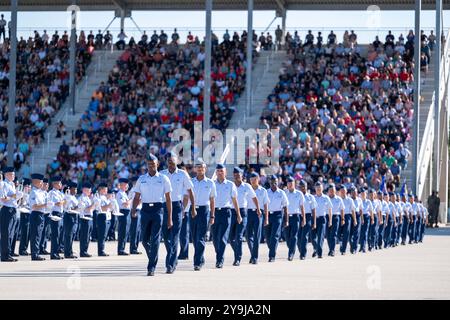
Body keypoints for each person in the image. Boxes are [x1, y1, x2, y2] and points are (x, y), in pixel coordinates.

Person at [131, 154, 172, 276]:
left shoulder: (164, 178)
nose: (151, 166)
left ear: (157, 164)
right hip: (145, 211)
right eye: (149, 164)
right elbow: (137, 196)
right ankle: (153, 256)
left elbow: (168, 199)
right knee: (144, 240)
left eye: (153, 164)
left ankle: (151, 267)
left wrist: (169, 217)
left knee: (155, 239)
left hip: (158, 210)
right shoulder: (142, 179)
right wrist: (133, 210)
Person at [160, 154, 195, 274]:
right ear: (166, 162)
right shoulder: (162, 174)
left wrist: (191, 208)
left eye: (173, 162)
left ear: (177, 162)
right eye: (169, 161)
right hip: (164, 206)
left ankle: (170, 264)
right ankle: (172, 256)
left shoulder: (182, 174)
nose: (171, 164)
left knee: (174, 236)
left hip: (177, 206)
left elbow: (190, 191)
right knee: (165, 236)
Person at [212, 164, 241, 268]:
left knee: (223, 237)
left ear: (225, 172)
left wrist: (238, 214)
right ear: (216, 172)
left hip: (226, 212)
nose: (220, 173)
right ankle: (218, 254)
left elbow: (234, 200)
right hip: (214, 212)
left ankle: (220, 260)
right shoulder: (212, 184)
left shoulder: (230, 184)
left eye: (222, 171)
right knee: (215, 238)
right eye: (218, 171)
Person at [191, 160, 216, 271]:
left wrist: (212, 215)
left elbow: (212, 200)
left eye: (202, 167)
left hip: (204, 211)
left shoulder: (210, 183)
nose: (200, 169)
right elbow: (187, 197)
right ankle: (200, 257)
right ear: (195, 169)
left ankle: (197, 263)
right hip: (193, 210)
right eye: (198, 167)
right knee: (194, 237)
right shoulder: (191, 182)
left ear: (205, 169)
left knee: (200, 237)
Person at [230, 167, 258, 266]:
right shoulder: (231, 185)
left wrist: (258, 209)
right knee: (230, 237)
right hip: (231, 212)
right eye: (235, 174)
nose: (237, 176)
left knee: (239, 236)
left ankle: (237, 258)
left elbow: (254, 198)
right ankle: (238, 252)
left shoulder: (247, 186)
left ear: (242, 175)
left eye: (238, 174)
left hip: (243, 212)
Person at [0, 167, 23, 262]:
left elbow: (12, 198)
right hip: (6, 209)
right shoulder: (3, 184)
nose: (13, 175)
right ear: (6, 175)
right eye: (11, 174)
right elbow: (3, 198)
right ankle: (4, 255)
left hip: (13, 209)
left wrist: (18, 197)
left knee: (11, 234)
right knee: (6, 233)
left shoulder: (12, 184)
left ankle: (8, 253)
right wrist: (15, 196)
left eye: (13, 174)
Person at [246, 172, 268, 264]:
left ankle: (255, 257)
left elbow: (266, 205)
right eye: (251, 179)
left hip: (259, 213)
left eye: (254, 179)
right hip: (248, 213)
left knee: (257, 236)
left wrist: (266, 218)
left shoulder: (263, 190)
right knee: (248, 236)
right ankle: (253, 254)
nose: (253, 181)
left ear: (258, 179)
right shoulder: (247, 189)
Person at [265, 175, 289, 262]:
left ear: (278, 182)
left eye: (275, 182)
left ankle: (272, 256)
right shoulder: (266, 192)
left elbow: (285, 207)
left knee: (274, 235)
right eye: (272, 182)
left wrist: (286, 220)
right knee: (267, 237)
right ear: (269, 183)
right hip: (268, 215)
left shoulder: (281, 193)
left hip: (278, 215)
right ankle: (272, 248)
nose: (274, 184)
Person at [284, 176, 305, 261]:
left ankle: (291, 254)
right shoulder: (284, 193)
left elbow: (302, 206)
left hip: (296, 216)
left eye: (291, 183)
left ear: (294, 184)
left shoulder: (299, 194)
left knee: (294, 235)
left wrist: (304, 218)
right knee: (287, 236)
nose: (290, 185)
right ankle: (291, 248)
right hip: (286, 217)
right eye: (288, 183)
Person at [29, 173, 47, 261]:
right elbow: (34, 206)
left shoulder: (41, 192)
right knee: (35, 235)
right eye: (41, 182)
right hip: (35, 214)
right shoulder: (33, 192)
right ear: (36, 182)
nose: (42, 184)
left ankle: (37, 252)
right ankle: (34, 254)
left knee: (39, 235)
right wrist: (45, 204)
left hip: (41, 214)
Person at [47, 176, 65, 260]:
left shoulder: (60, 193)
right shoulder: (51, 193)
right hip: (55, 213)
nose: (61, 185)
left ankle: (57, 252)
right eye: (59, 183)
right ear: (54, 184)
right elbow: (56, 203)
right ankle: (53, 254)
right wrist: (63, 202)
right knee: (55, 235)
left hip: (60, 213)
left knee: (60, 235)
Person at [313, 182, 332, 259]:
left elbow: (330, 209)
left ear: (322, 189)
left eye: (320, 188)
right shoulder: (312, 197)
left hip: (322, 219)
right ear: (315, 189)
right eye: (317, 188)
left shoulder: (326, 198)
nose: (318, 190)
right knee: (313, 237)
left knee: (320, 236)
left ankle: (319, 253)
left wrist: (330, 220)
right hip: (313, 218)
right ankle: (316, 248)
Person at [298, 180, 317, 260]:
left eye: (304, 186)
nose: (303, 188)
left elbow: (314, 210)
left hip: (308, 216)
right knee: (298, 237)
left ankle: (303, 254)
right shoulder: (297, 195)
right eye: (301, 186)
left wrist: (314, 222)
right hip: (299, 216)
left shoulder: (311, 197)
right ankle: (301, 250)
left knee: (304, 236)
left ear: (306, 187)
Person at [78, 182, 96, 257]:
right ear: (84, 190)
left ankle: (85, 250)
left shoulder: (87, 198)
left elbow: (92, 209)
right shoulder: (82, 198)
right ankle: (83, 251)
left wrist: (94, 204)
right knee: (84, 236)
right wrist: (94, 204)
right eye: (89, 189)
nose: (90, 191)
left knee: (88, 236)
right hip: (85, 217)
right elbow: (87, 209)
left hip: (89, 217)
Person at [95, 183, 113, 257]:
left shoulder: (104, 197)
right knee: (102, 235)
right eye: (105, 189)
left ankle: (102, 250)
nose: (106, 191)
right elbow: (101, 208)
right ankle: (101, 251)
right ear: (101, 189)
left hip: (106, 216)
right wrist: (109, 205)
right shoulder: (99, 197)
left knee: (104, 235)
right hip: (102, 216)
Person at [327, 183, 344, 257]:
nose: (332, 192)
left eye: (333, 190)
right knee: (328, 235)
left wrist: (342, 218)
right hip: (327, 217)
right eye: (330, 190)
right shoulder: (326, 198)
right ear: (328, 191)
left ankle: (332, 250)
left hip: (336, 217)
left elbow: (342, 209)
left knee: (333, 234)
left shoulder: (339, 199)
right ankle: (330, 248)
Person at [63, 181, 79, 258]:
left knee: (72, 235)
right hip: (69, 216)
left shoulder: (74, 197)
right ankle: (67, 253)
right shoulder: (67, 196)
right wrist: (78, 207)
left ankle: (70, 251)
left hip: (74, 216)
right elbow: (68, 208)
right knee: (68, 235)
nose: (76, 191)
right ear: (70, 189)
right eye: (74, 189)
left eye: (76, 189)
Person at [116, 178, 132, 255]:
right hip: (123, 213)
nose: (127, 186)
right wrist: (131, 200)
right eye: (125, 184)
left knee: (125, 232)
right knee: (122, 231)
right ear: (121, 185)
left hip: (127, 213)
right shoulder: (119, 193)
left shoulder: (124, 193)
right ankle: (120, 249)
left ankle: (122, 248)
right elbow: (124, 204)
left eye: (127, 184)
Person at [339, 186, 356, 255]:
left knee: (346, 233)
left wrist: (354, 220)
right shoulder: (338, 199)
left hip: (347, 217)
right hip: (339, 216)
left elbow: (353, 210)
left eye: (344, 191)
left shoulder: (350, 200)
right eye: (341, 191)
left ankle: (343, 250)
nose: (343, 193)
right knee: (338, 233)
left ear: (346, 192)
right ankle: (341, 243)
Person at [128, 177, 142, 254]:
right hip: (135, 209)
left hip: (139, 210)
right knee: (134, 230)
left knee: (138, 230)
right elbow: (134, 201)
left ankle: (135, 247)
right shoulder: (133, 190)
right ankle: (133, 248)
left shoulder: (137, 190)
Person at [18, 178, 32, 256]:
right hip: (24, 213)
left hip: (29, 214)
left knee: (28, 233)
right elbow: (20, 204)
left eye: (29, 186)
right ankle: (22, 249)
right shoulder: (21, 194)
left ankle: (25, 249)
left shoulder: (30, 195)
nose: (28, 188)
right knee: (24, 233)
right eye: (27, 186)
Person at [359, 188, 374, 253]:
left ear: (366, 194)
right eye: (362, 193)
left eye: (364, 193)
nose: (363, 195)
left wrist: (372, 219)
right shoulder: (359, 201)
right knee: (360, 233)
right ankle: (361, 246)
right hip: (360, 217)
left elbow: (371, 211)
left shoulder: (368, 201)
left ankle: (363, 247)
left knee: (365, 232)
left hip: (367, 217)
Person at [349, 186, 363, 254]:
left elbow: (361, 210)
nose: (354, 193)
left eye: (355, 192)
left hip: (357, 215)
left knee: (356, 233)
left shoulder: (359, 200)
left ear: (357, 193)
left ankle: (354, 248)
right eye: (352, 192)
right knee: (349, 233)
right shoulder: (349, 199)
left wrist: (361, 218)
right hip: (350, 216)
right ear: (351, 193)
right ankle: (352, 245)